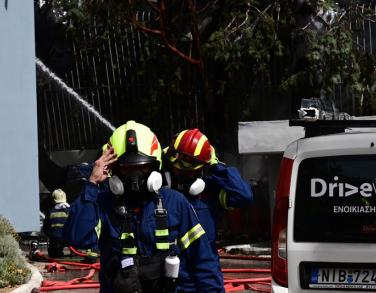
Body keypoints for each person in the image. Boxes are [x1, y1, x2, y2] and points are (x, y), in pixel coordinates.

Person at [61, 121, 224, 293]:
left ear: (154, 167)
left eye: (142, 166)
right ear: (113, 170)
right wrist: (92, 185)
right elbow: (78, 238)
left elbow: (203, 262)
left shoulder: (176, 203)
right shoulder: (103, 204)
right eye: (126, 168)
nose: (134, 175)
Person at [162, 128, 253, 292]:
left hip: (204, 283)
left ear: (201, 168)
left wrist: (215, 166)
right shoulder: (160, 193)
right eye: (175, 167)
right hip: (169, 283)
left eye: (186, 170)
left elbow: (244, 195)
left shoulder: (210, 191)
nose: (178, 173)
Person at [42, 188, 71, 258]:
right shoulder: (71, 210)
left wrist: (48, 235)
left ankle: (56, 253)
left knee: (54, 253)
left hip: (56, 239)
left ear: (53, 199)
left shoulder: (50, 212)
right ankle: (73, 253)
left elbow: (46, 228)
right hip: (70, 239)